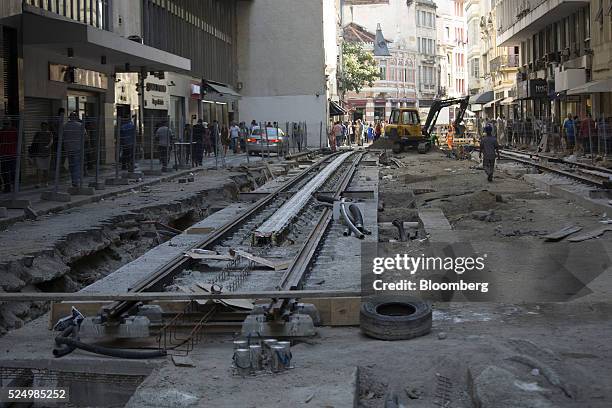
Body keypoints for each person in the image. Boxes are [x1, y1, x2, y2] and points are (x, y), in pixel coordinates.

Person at [63, 112, 87, 187]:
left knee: (71, 165)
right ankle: (76, 181)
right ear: (76, 117)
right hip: (78, 148)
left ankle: (74, 179)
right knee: (77, 165)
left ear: (70, 117)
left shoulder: (65, 126)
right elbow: (86, 136)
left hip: (69, 148)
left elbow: (62, 137)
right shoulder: (80, 125)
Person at [30, 122, 53, 187]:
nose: (43, 128)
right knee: (39, 169)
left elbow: (51, 141)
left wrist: (48, 146)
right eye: (42, 126)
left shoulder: (49, 133)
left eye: (45, 126)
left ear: (47, 127)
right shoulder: (38, 133)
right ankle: (39, 183)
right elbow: (34, 142)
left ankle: (46, 182)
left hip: (47, 153)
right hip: (39, 153)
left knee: (46, 169)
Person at [0, 119, 18, 193]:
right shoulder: (1, 132)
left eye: (7, 124)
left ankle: (14, 186)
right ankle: (8, 188)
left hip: (12, 154)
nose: (6, 125)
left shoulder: (14, 131)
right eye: (5, 124)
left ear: (10, 124)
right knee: (4, 172)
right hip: (3, 154)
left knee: (13, 171)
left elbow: (19, 141)